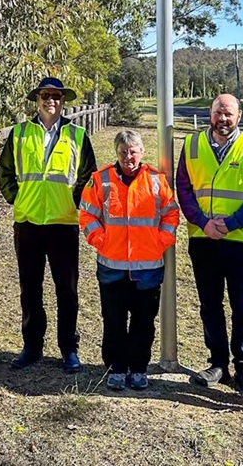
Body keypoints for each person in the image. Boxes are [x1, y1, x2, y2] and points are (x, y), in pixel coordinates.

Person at [0, 77, 97, 373]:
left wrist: (73, 204)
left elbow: (88, 177)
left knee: (67, 290)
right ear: (37, 99)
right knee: (30, 288)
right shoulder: (20, 133)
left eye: (55, 96)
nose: (50, 100)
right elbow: (5, 173)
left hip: (63, 223)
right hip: (27, 223)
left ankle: (69, 348)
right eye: (45, 95)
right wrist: (19, 200)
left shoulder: (78, 135)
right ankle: (32, 346)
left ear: (63, 100)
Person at [175, 93, 243, 396]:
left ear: (239, 116)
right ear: (210, 113)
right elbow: (184, 188)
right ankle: (218, 363)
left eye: (229, 114)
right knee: (209, 304)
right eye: (219, 112)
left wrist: (230, 224)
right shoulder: (192, 145)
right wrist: (204, 223)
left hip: (240, 240)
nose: (223, 119)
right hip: (203, 239)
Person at [79, 130, 180, 391]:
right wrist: (100, 240)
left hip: (148, 267)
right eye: (123, 152)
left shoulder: (157, 180)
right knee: (113, 319)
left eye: (133, 151)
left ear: (142, 152)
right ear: (117, 153)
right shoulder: (100, 180)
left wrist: (161, 241)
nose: (128, 157)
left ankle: (138, 368)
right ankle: (115, 368)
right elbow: (87, 215)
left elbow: (171, 214)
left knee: (143, 321)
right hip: (112, 266)